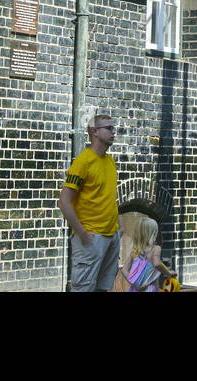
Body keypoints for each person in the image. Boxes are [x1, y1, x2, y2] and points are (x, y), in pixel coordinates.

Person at [59, 113, 123, 292]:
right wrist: (83, 234)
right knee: (83, 288)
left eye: (113, 128)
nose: (113, 132)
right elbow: (64, 202)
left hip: (112, 236)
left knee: (105, 287)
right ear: (94, 131)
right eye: (109, 128)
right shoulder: (83, 162)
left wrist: (119, 227)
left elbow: (109, 196)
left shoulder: (110, 161)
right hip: (91, 237)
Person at [117, 215, 176, 292]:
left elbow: (124, 270)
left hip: (135, 289)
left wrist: (135, 283)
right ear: (153, 233)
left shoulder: (135, 251)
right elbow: (156, 263)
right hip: (150, 289)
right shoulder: (156, 248)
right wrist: (168, 273)